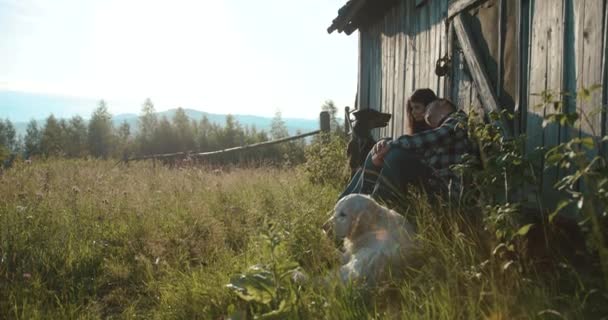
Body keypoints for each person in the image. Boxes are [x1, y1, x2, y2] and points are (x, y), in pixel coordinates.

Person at [339, 99, 473, 206]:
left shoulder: (457, 120)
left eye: (427, 108)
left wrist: (390, 146)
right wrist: (383, 147)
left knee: (394, 154)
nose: (424, 113)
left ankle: (370, 206)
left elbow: (431, 138)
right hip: (432, 182)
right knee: (382, 146)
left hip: (444, 189)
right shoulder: (444, 137)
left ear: (443, 103)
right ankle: (345, 206)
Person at [340, 89, 438, 197]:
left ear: (430, 106)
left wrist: (389, 144)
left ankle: (363, 198)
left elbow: (417, 146)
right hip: (415, 169)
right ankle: (348, 200)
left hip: (428, 174)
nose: (413, 112)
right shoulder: (418, 128)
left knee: (387, 150)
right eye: (412, 108)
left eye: (417, 107)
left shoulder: (438, 130)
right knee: (378, 150)